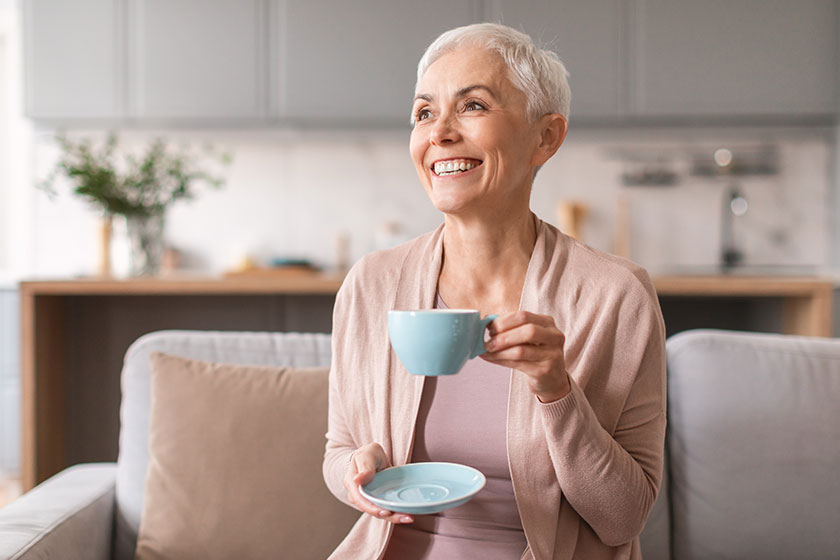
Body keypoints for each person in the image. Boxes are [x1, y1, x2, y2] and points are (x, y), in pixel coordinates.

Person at [323, 22, 666, 560]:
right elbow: (339, 448)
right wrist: (354, 469)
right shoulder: (371, 284)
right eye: (424, 112)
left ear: (545, 137)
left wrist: (556, 390)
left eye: (473, 106)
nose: (439, 133)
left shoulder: (615, 296)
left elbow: (622, 518)